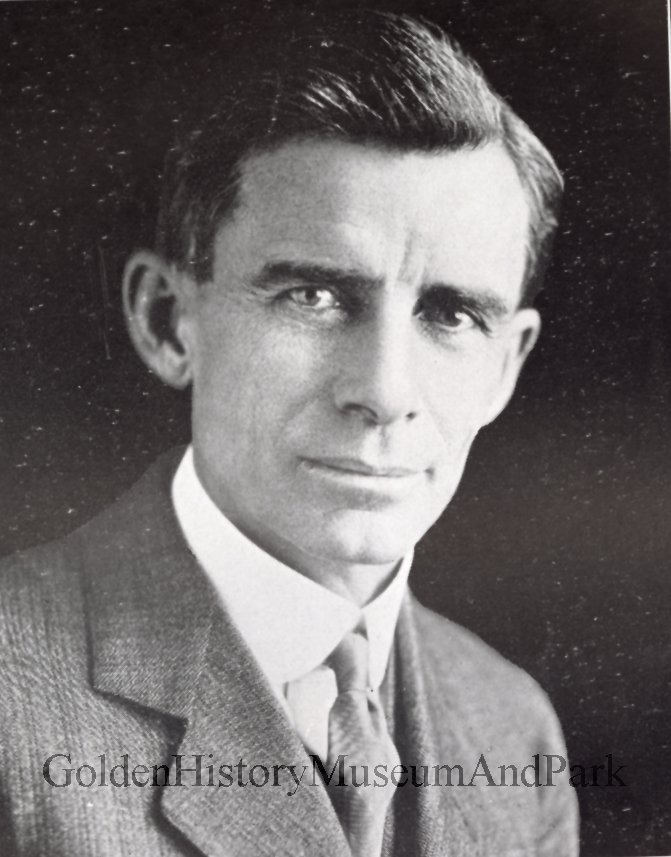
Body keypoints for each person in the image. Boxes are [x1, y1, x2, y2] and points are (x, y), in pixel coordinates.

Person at [0, 10, 578, 856]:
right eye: (313, 296)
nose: (383, 392)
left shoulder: (512, 726)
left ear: (504, 367)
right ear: (166, 321)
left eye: (451, 315)